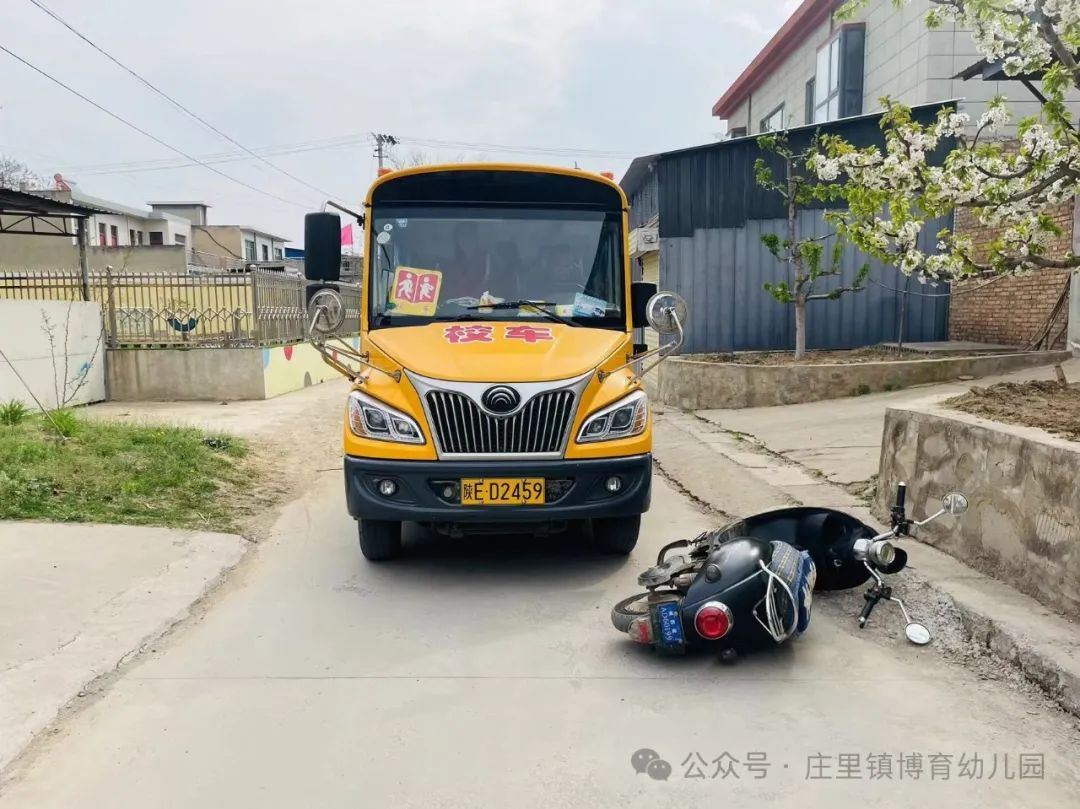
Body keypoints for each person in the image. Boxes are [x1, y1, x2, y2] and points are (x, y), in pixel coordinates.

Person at [441, 222, 489, 300]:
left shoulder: (489, 260)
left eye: (469, 234)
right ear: (457, 240)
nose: (466, 238)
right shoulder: (451, 266)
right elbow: (447, 294)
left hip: (483, 309)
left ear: (476, 237)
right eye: (462, 235)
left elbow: (496, 288)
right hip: (456, 311)